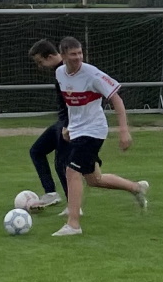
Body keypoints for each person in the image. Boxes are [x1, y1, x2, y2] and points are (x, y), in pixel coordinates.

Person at [52, 36, 149, 236]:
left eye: (80, 53)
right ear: (62, 56)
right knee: (94, 179)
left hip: (94, 130)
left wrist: (124, 130)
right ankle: (136, 188)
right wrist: (68, 126)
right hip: (78, 130)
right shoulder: (60, 73)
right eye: (73, 54)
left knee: (71, 171)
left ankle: (73, 224)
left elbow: (117, 99)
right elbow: (71, 103)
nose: (78, 58)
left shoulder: (92, 74)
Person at [25, 39, 70, 209]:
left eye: (40, 61)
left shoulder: (65, 71)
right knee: (37, 151)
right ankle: (51, 193)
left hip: (69, 123)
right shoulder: (59, 71)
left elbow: (73, 101)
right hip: (62, 122)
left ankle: (73, 206)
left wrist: (68, 125)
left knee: (62, 163)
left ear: (50, 56)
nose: (39, 66)